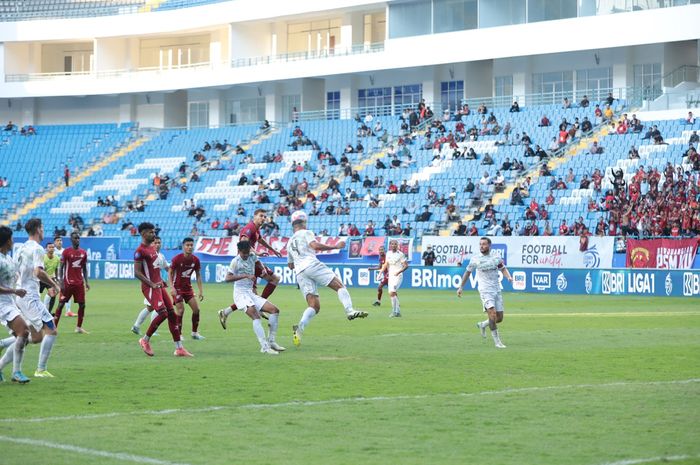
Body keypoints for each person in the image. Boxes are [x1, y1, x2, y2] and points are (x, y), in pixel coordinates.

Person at [288, 210, 367, 347]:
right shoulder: (306, 232)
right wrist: (335, 246)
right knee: (339, 285)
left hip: (300, 272)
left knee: (314, 306)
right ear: (304, 222)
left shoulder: (289, 242)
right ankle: (350, 311)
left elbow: (290, 265)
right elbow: (314, 245)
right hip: (311, 264)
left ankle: (300, 327)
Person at [134, 223, 192, 357]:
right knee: (163, 313)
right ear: (143, 234)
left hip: (158, 286)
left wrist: (160, 280)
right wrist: (151, 284)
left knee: (172, 314)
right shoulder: (140, 251)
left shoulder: (153, 249)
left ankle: (179, 349)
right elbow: (137, 273)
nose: (153, 234)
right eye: (150, 232)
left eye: (154, 232)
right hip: (149, 287)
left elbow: (154, 268)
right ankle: (145, 340)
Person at [218, 209, 282, 329]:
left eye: (265, 216)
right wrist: (257, 253)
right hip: (247, 262)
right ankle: (261, 304)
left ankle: (225, 312)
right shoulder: (249, 228)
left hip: (251, 261)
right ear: (255, 216)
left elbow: (260, 240)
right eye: (261, 216)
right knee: (274, 279)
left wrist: (273, 250)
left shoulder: (256, 229)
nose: (263, 218)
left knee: (249, 295)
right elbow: (244, 242)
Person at [14, 218, 60, 376]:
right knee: (51, 328)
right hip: (30, 296)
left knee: (36, 336)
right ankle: (41, 369)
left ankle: (3, 344)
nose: (43, 230)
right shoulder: (38, 249)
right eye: (42, 227)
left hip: (19, 294)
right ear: (38, 229)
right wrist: (53, 284)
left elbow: (16, 272)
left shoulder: (20, 248)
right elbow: (38, 272)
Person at [225, 241, 285, 355]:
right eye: (244, 253)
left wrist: (263, 269)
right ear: (239, 251)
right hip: (240, 293)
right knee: (256, 316)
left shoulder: (252, 256)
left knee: (275, 310)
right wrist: (245, 275)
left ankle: (271, 342)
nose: (246, 255)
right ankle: (264, 347)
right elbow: (227, 278)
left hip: (250, 293)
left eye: (248, 252)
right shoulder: (235, 262)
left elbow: (258, 262)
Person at [457, 237, 513, 349]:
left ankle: (483, 324)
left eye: (484, 244)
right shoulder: (475, 259)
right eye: (480, 244)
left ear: (489, 245)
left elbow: (503, 268)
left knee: (499, 318)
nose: (481, 246)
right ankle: (497, 342)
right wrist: (461, 287)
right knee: (492, 315)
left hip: (496, 289)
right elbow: (467, 273)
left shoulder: (496, 257)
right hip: (485, 290)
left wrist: (509, 277)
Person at [0, 226, 31, 383]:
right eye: (11, 238)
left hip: (10, 302)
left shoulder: (8, 258)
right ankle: (16, 372)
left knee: (23, 336)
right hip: (2, 304)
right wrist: (15, 290)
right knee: (24, 332)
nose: (13, 241)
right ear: (6, 241)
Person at [169, 237, 205, 341]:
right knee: (180, 310)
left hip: (188, 289)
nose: (189, 247)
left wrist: (200, 291)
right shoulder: (177, 259)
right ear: (183, 246)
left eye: (191, 245)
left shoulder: (195, 260)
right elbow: (170, 272)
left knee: (196, 310)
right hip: (177, 288)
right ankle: (178, 335)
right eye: (187, 245)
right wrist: (172, 287)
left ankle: (194, 333)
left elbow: (198, 275)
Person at [53, 232, 90, 333]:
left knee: (82, 305)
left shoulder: (83, 253)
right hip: (68, 283)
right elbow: (61, 268)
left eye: (78, 238)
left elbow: (84, 269)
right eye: (75, 238)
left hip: (79, 284)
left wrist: (86, 282)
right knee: (60, 305)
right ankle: (54, 328)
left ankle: (78, 327)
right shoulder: (66, 252)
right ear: (71, 240)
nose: (77, 240)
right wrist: (61, 282)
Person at [380, 240, 409, 318]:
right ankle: (398, 312)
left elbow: (406, 266)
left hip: (398, 275)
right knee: (391, 293)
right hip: (391, 276)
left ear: (397, 245)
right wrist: (381, 272)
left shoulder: (401, 254)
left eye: (395, 244)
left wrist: (399, 272)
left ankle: (394, 311)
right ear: (390, 245)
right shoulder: (388, 253)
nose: (394, 245)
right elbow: (386, 264)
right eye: (392, 244)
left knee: (392, 292)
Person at [41, 242, 60, 314]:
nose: (52, 249)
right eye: (50, 247)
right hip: (41, 279)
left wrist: (57, 279)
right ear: (46, 249)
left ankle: (48, 312)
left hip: (49, 279)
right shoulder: (43, 258)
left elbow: (56, 269)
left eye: (53, 247)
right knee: (35, 295)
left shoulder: (57, 258)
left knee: (53, 294)